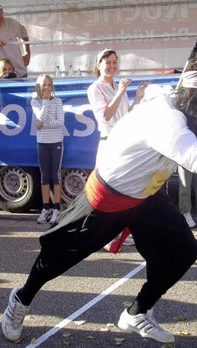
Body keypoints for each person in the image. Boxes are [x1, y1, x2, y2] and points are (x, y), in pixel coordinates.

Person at [0, 58, 197, 345]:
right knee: (57, 258)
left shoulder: (181, 105)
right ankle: (20, 300)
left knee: (183, 251)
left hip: (145, 195)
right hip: (108, 197)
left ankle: (137, 312)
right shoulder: (167, 117)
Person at [86, 48, 147, 250]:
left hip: (123, 142)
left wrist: (137, 98)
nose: (112, 66)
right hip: (108, 143)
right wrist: (121, 91)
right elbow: (105, 116)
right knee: (107, 190)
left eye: (114, 62)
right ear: (99, 65)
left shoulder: (116, 86)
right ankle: (99, 232)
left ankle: (119, 231)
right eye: (107, 62)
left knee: (124, 188)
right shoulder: (96, 88)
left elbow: (125, 117)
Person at [32, 74, 64, 225]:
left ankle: (57, 208)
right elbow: (40, 117)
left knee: (55, 175)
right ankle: (46, 209)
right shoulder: (35, 101)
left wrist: (43, 124)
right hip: (42, 142)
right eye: (43, 85)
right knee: (45, 176)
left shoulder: (58, 101)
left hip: (56, 141)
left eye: (48, 84)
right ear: (38, 87)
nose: (46, 87)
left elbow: (60, 123)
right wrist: (45, 102)